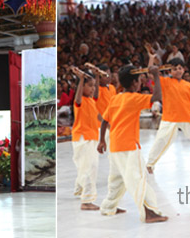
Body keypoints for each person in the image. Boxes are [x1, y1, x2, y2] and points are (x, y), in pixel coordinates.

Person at [97, 65, 168, 223]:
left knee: (116, 179)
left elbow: (104, 121)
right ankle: (149, 211)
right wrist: (156, 76)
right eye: (139, 81)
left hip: (115, 145)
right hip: (129, 146)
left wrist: (102, 140)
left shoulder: (116, 98)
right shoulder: (135, 98)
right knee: (138, 179)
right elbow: (156, 97)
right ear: (135, 83)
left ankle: (109, 207)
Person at [68, 66, 101, 210]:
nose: (93, 89)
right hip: (83, 137)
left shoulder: (92, 101)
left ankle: (79, 189)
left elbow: (98, 115)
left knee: (86, 166)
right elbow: (78, 96)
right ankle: (86, 201)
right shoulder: (79, 102)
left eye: (94, 86)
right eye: (90, 86)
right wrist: (81, 79)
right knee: (90, 167)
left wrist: (97, 77)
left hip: (91, 137)